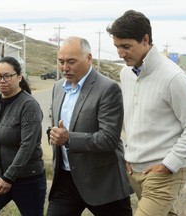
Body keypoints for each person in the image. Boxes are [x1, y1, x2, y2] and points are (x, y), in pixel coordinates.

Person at [106, 10, 186, 216]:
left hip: (164, 174)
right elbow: (133, 120)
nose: (120, 53)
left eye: (126, 46)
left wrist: (169, 165)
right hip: (135, 171)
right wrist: (130, 155)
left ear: (145, 40)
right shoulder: (126, 73)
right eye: (117, 47)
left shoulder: (173, 78)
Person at [46, 36, 132, 216]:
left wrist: (68, 138)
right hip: (65, 181)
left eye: (71, 62)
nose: (65, 67)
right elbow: (59, 127)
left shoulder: (108, 88)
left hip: (103, 182)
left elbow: (109, 139)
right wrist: (53, 134)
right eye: (61, 62)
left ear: (89, 58)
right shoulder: (58, 87)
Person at [0, 56, 46, 216]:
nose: (2, 80)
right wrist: (2, 175)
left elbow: (27, 146)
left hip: (28, 179)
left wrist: (9, 178)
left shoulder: (29, 105)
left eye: (7, 76)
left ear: (19, 77)